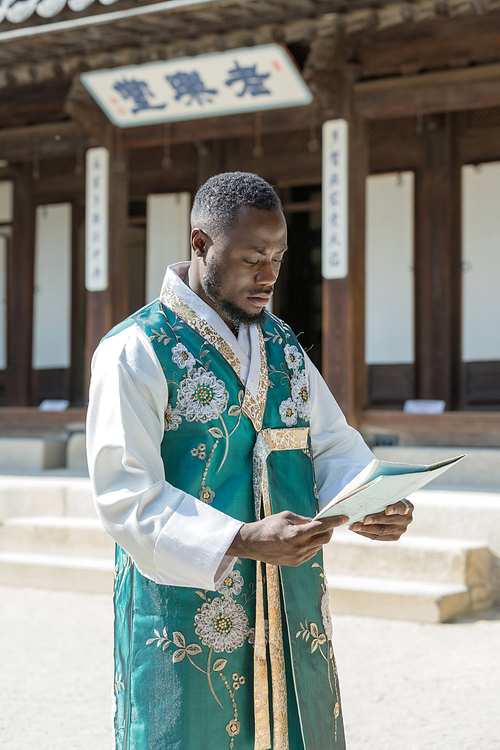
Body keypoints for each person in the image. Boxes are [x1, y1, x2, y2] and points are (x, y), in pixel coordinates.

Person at [86, 171, 413, 750]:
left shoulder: (282, 344)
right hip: (185, 607)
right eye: (251, 258)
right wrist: (238, 539)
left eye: (279, 259)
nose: (268, 277)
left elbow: (331, 444)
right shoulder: (134, 350)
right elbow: (124, 495)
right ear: (200, 245)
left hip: (290, 598)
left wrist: (372, 502)